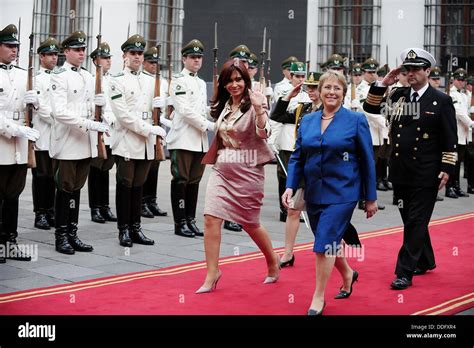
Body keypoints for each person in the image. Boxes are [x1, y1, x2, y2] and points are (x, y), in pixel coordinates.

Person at [283, 71, 377, 315]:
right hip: (314, 192)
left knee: (323, 243)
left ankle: (318, 297)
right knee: (329, 241)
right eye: (327, 87)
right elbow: (297, 156)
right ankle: (348, 272)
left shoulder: (355, 120)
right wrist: (290, 186)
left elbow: (368, 160)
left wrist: (371, 197)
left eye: (337, 88)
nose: (331, 92)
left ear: (344, 93)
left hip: (343, 193)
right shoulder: (308, 120)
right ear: (320, 91)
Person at [363, 48, 458, 289]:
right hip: (401, 170)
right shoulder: (398, 96)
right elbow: (371, 107)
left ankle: (404, 271)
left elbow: (450, 139)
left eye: (416, 69)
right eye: (408, 69)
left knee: (416, 220)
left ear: (428, 71)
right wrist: (384, 82)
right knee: (411, 220)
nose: (411, 73)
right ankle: (425, 260)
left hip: (427, 172)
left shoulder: (441, 101)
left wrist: (447, 167)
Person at [196, 58, 279, 293]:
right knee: (211, 218)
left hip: (248, 175)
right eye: (229, 81)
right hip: (222, 172)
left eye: (238, 80)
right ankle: (213, 272)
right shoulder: (225, 106)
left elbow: (264, 133)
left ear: (246, 80)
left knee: (250, 224)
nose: (234, 85)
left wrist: (261, 109)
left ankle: (273, 260)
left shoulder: (254, 104)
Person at [49, 31, 109, 254]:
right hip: (67, 142)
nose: (81, 53)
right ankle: (61, 236)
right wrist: (89, 124)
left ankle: (72, 233)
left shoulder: (88, 76)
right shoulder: (59, 76)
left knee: (76, 189)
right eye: (77, 49)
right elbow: (60, 113)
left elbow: (96, 105)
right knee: (65, 189)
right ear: (66, 52)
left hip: (85, 142)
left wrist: (102, 108)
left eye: (83, 49)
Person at [108, 34, 166, 247]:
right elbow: (123, 116)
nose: (137, 57)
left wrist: (160, 103)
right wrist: (149, 129)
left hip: (145, 143)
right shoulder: (116, 81)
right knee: (125, 185)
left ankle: (136, 227)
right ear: (124, 55)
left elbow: (154, 111)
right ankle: (123, 229)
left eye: (140, 53)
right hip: (126, 140)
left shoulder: (151, 81)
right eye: (133, 53)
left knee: (139, 186)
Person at [271, 71, 322, 266]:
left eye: (314, 87)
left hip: (320, 170)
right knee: (293, 210)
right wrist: (287, 97)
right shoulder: (304, 109)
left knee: (320, 214)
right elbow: (277, 115)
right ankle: (288, 253)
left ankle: (331, 250)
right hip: (303, 168)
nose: (310, 91)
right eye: (308, 87)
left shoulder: (330, 110)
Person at [0, 23, 40, 262]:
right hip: (3, 142)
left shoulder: (23, 74)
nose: (14, 50)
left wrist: (35, 102)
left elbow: (41, 109)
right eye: (9, 46)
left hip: (19, 145)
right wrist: (15, 130)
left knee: (13, 194)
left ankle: (10, 241)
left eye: (16, 46)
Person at [166, 39, 212, 238]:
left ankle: (190, 219)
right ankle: (180, 222)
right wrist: (208, 125)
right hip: (184, 138)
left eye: (199, 57)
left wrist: (213, 112)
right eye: (192, 57)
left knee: (194, 181)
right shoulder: (178, 80)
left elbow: (200, 110)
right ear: (184, 58)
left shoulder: (200, 82)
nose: (196, 60)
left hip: (199, 140)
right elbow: (184, 110)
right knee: (181, 180)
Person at [269, 62, 309, 222]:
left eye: (302, 76)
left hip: (300, 138)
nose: (300, 79)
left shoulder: (306, 96)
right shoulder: (285, 92)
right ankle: (283, 209)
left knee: (297, 176)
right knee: (284, 175)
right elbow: (277, 118)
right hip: (286, 137)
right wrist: (272, 140)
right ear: (290, 76)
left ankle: (294, 207)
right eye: (297, 76)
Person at [87, 41, 118, 224]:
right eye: (104, 58)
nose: (107, 61)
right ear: (95, 61)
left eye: (108, 58)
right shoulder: (90, 80)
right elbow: (89, 104)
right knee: (95, 170)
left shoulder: (112, 80)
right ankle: (95, 208)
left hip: (112, 131)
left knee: (106, 170)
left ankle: (105, 206)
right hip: (99, 130)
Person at [31, 37, 59, 230]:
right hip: (42, 133)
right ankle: (40, 213)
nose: (54, 58)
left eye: (56, 54)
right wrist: (62, 119)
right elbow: (41, 108)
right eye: (49, 54)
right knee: (41, 176)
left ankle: (51, 211)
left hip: (58, 136)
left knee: (53, 177)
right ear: (41, 56)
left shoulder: (60, 77)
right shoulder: (36, 79)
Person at [140, 46, 169, 219]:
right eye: (151, 62)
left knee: (155, 167)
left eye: (156, 63)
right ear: (144, 62)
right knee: (145, 168)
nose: (154, 65)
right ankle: (142, 202)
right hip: (145, 127)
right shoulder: (142, 79)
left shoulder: (163, 82)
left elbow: (166, 107)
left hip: (159, 127)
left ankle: (152, 200)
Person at [445, 68, 473, 198]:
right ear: (454, 80)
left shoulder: (465, 94)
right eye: (459, 79)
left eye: (463, 80)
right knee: (452, 160)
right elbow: (459, 112)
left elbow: (468, 110)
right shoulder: (451, 93)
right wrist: (471, 123)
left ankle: (456, 185)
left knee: (459, 160)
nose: (461, 82)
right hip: (455, 131)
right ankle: (449, 187)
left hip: (464, 133)